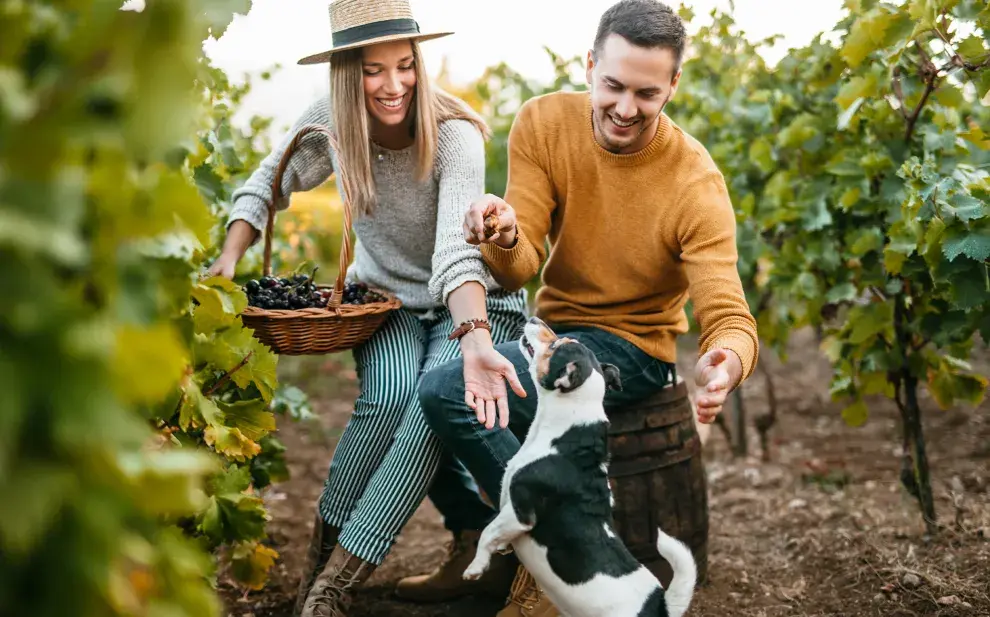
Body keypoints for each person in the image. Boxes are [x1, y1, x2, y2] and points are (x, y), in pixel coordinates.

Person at [417, 1, 760, 615]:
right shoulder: (543, 122)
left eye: (647, 93)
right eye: (613, 86)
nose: (626, 108)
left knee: (448, 389)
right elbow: (522, 262)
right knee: (439, 388)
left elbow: (728, 312)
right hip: (553, 328)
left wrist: (727, 362)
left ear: (674, 85)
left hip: (633, 350)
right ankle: (505, 543)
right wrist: (501, 233)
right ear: (590, 65)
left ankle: (538, 562)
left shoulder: (694, 182)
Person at [206, 1, 529, 615]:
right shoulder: (331, 123)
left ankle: (335, 585)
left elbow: (458, 259)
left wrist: (474, 339)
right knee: (386, 399)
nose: (393, 85)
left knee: (429, 403)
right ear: (347, 74)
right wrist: (229, 256)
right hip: (387, 305)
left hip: (471, 303)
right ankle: (326, 565)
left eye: (405, 66)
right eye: (373, 70)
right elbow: (265, 183)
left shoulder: (455, 135)